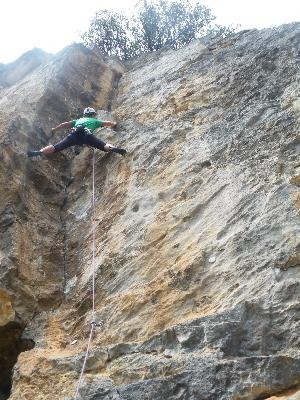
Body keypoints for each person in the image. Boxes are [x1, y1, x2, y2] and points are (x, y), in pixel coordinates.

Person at [27, 107, 127, 157]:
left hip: (74, 134)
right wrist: (114, 124)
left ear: (84, 114)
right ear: (92, 115)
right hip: (87, 134)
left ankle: (38, 152)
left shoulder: (78, 120)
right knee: (103, 146)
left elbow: (64, 124)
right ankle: (113, 148)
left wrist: (54, 129)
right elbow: (108, 123)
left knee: (56, 147)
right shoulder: (94, 121)